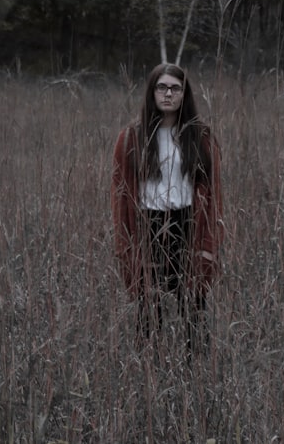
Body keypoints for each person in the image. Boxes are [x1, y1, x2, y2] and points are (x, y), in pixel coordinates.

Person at [111, 63, 224, 352]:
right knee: (149, 309)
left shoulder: (200, 137)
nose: (168, 94)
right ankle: (149, 370)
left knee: (194, 308)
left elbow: (213, 198)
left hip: (187, 224)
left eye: (175, 88)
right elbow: (120, 198)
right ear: (152, 92)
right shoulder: (131, 139)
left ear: (185, 94)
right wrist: (126, 245)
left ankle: (194, 374)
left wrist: (208, 245)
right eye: (162, 87)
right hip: (148, 225)